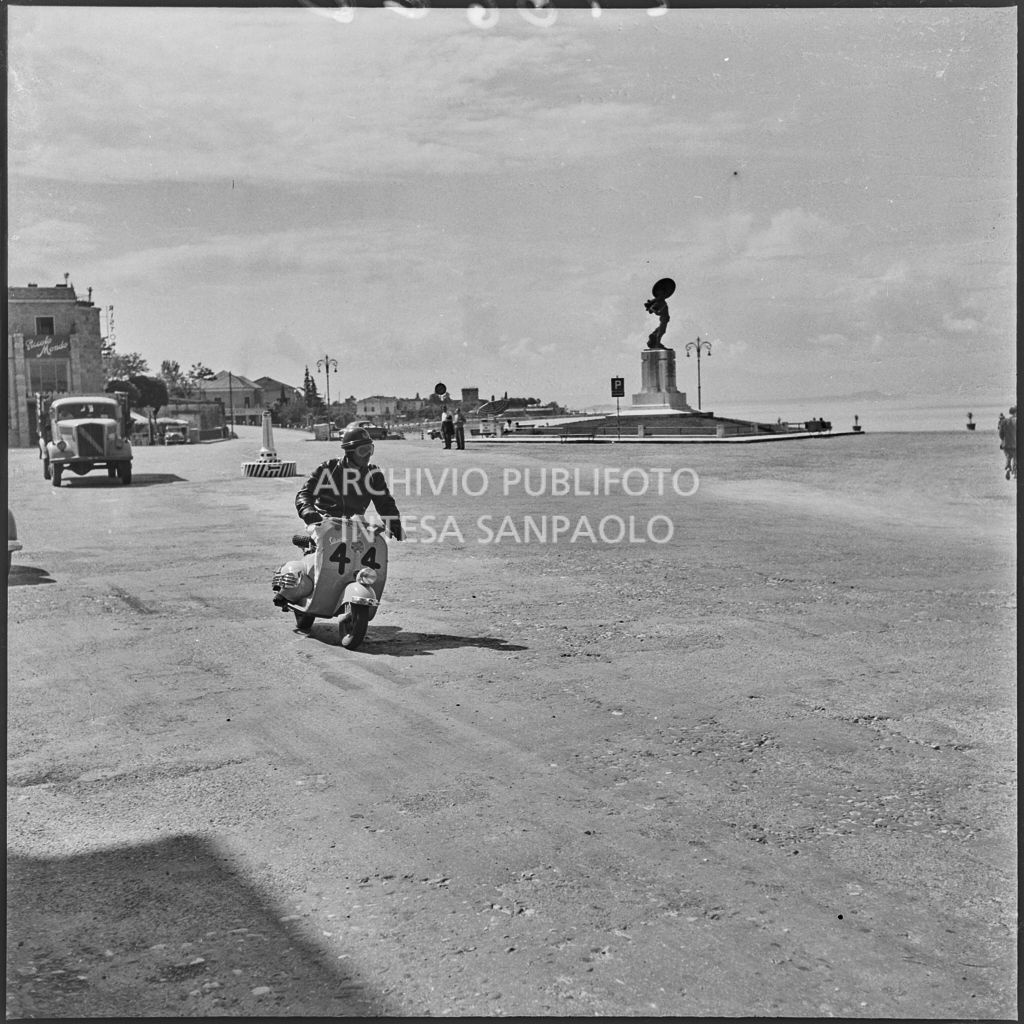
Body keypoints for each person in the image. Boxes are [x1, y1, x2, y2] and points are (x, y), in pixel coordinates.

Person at [294, 424, 404, 541]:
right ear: (350, 452)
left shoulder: (373, 474)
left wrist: (394, 522)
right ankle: (311, 546)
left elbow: (385, 503)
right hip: (322, 523)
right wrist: (307, 510)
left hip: (353, 525)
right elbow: (305, 493)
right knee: (323, 549)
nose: (367, 455)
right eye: (363, 451)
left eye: (370, 449)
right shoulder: (328, 469)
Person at [999, 407, 1017, 480]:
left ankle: (1008, 469)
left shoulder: (1004, 421)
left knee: (1008, 457)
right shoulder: (1018, 421)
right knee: (1016, 458)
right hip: (1016, 444)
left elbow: (1001, 434)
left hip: (1006, 444)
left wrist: (1003, 440)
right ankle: (1015, 473)